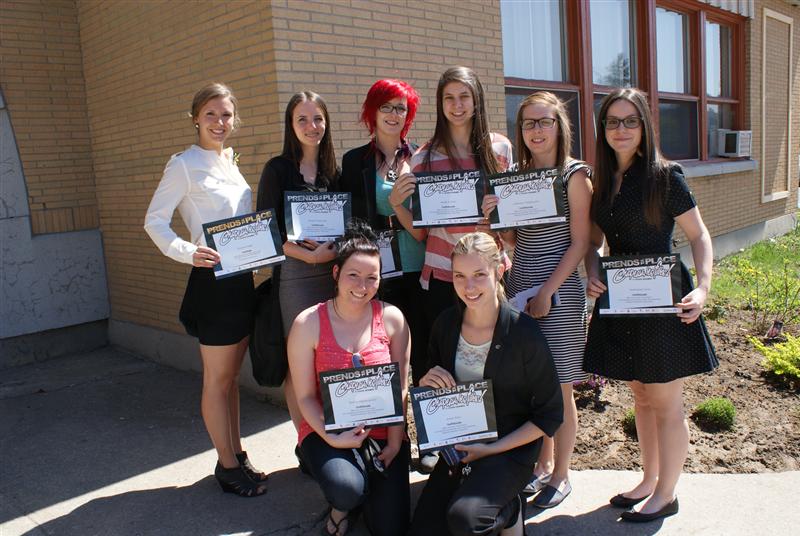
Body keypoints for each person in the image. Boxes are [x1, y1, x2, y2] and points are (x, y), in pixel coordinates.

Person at [584, 88, 718, 522]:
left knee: (665, 401)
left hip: (663, 301)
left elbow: (699, 236)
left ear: (644, 126)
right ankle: (648, 479)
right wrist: (592, 269)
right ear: (602, 129)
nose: (620, 130)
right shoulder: (602, 181)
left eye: (630, 121)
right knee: (641, 396)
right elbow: (592, 242)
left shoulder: (664, 176)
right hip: (622, 302)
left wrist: (703, 289)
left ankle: (667, 493)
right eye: (612, 122)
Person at [144, 83, 267, 496]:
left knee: (232, 378)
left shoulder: (229, 161)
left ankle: (236, 454)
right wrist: (186, 251)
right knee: (217, 380)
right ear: (195, 117)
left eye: (227, 115)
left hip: (241, 281)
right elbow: (154, 220)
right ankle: (228, 466)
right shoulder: (183, 165)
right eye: (211, 114)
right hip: (212, 282)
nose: (219, 122)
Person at [408, 232, 563, 536]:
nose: (469, 287)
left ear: (499, 271)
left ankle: (511, 509)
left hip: (509, 450)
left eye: (479, 275)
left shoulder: (524, 333)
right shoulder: (445, 325)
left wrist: (491, 450)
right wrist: (427, 384)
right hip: (461, 447)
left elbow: (550, 415)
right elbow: (434, 395)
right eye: (459, 276)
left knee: (466, 519)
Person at [481, 91, 592, 509]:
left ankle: (561, 474)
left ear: (559, 126)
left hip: (558, 292)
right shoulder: (517, 178)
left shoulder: (573, 176)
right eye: (529, 123)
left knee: (560, 388)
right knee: (534, 387)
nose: (537, 130)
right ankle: (542, 465)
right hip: (520, 286)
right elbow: (514, 240)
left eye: (544, 121)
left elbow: (580, 242)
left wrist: (548, 291)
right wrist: (495, 219)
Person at [287, 222, 411, 536]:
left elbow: (401, 387)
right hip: (329, 429)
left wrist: (396, 441)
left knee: (391, 528)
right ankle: (342, 505)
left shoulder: (393, 319)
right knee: (347, 488)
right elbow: (304, 398)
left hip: (384, 433)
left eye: (372, 277)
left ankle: (368, 485)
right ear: (336, 274)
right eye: (353, 275)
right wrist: (333, 438)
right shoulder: (309, 323)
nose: (362, 285)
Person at [256, 91, 340, 448]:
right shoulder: (277, 169)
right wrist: (308, 258)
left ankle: (332, 431)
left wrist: (331, 253)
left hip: (334, 276)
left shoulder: (334, 172)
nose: (311, 126)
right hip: (296, 277)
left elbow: (348, 224)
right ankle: (307, 442)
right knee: (300, 363)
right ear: (291, 125)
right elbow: (267, 230)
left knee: (331, 356)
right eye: (302, 119)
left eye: (317, 118)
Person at [409, 66, 514, 329]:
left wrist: (496, 222)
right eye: (449, 97)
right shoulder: (423, 157)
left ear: (476, 99)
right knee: (447, 360)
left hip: (490, 271)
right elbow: (421, 232)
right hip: (442, 275)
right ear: (440, 104)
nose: (457, 105)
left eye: (464, 96)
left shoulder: (499, 148)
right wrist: (397, 204)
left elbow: (510, 217)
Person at [340, 79, 429, 384]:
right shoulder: (354, 162)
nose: (394, 114)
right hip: (378, 269)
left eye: (401, 108)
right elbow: (351, 220)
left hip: (418, 264)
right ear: (372, 112)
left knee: (422, 355)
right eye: (386, 107)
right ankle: (393, 430)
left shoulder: (421, 158)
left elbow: (424, 224)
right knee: (382, 355)